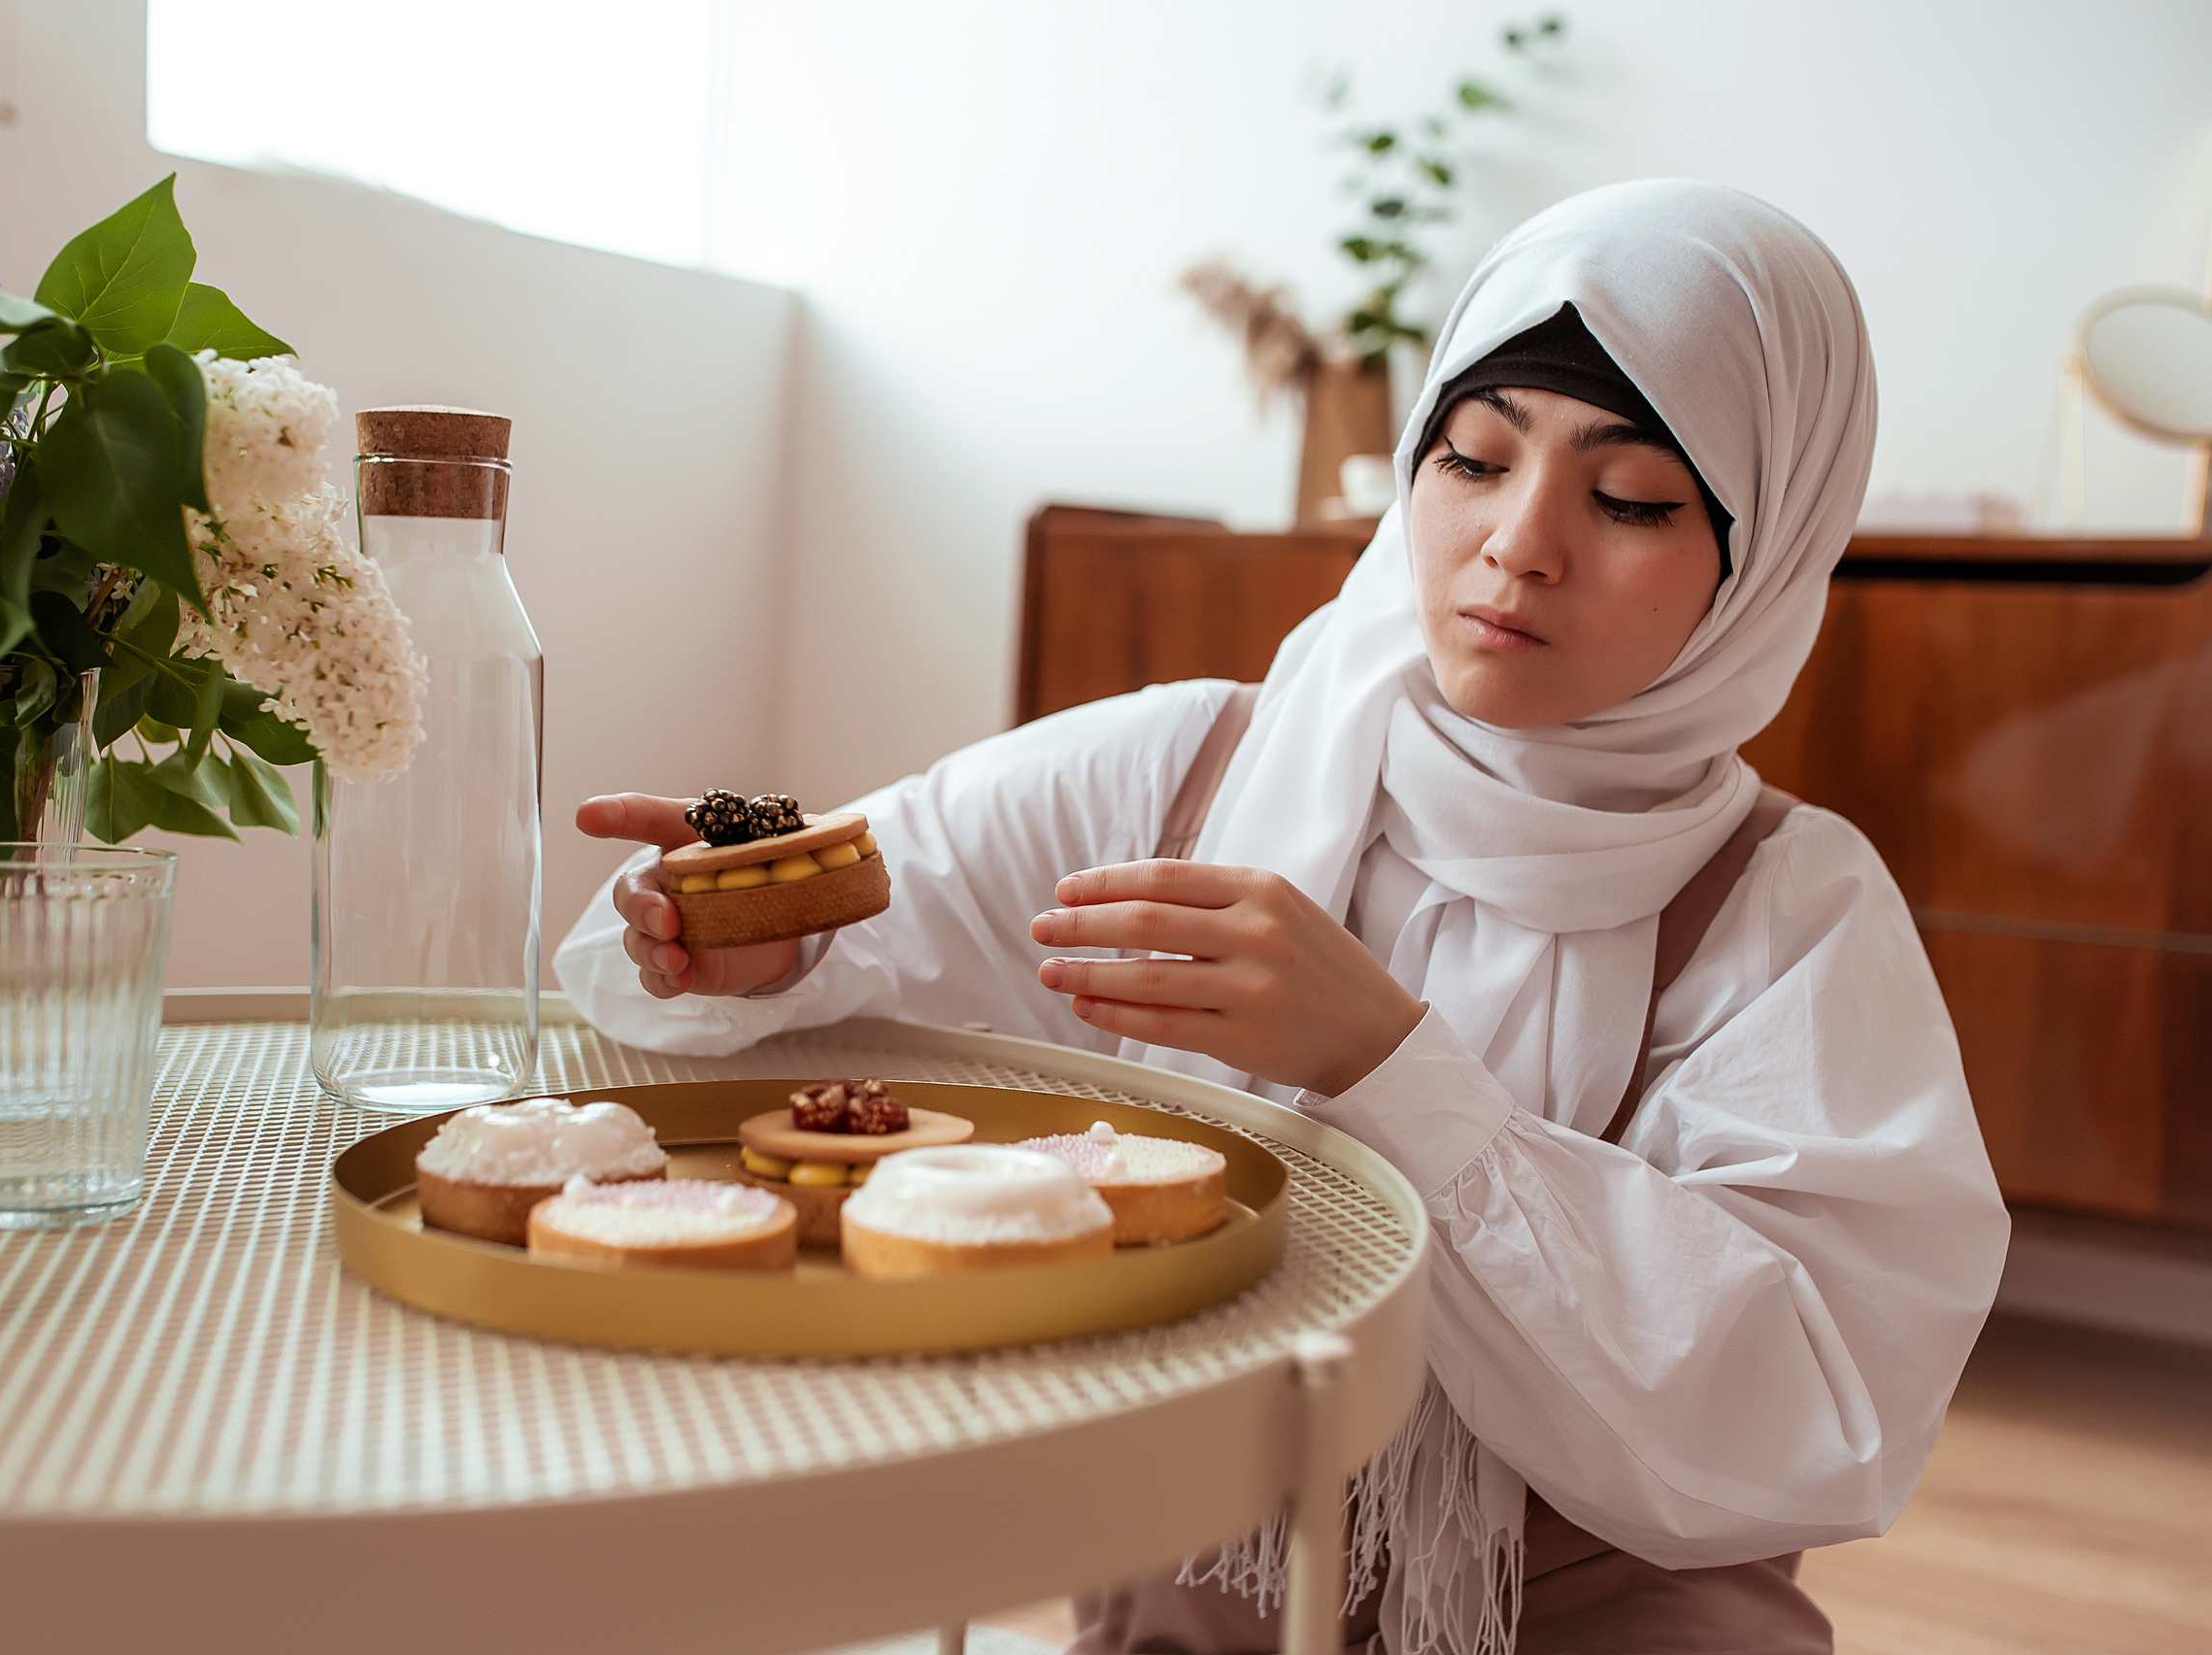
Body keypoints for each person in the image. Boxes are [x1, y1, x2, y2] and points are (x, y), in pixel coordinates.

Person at [556, 180, 2008, 1655]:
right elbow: (872, 891)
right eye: (1473, 459)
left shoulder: (1791, 907)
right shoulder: (1187, 768)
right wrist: (761, 936)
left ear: (1761, 561)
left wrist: (1393, 1070)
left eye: (1628, 498)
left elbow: (1810, 1411)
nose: (1518, 544)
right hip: (1202, 1587)